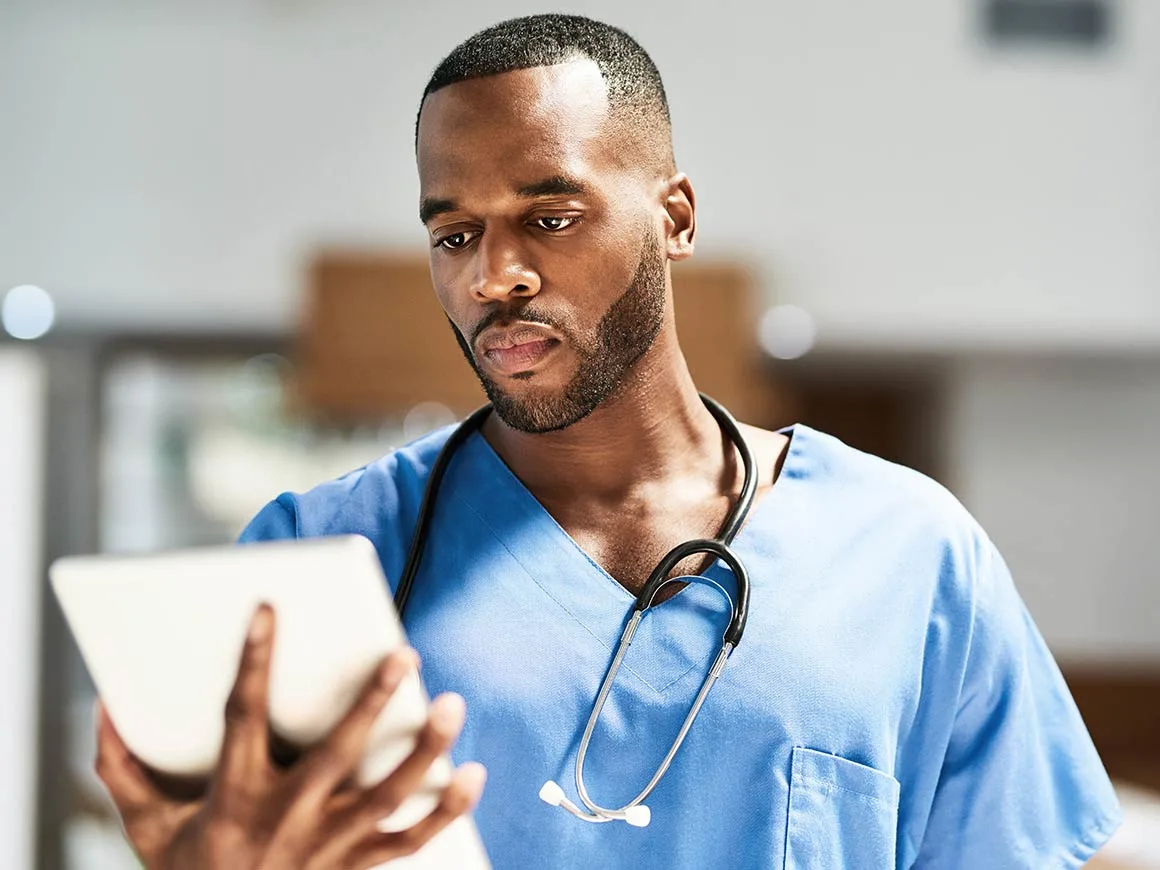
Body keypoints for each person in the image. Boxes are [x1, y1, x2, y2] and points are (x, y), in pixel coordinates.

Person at [95, 13, 1122, 869]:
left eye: (548, 218)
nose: (492, 274)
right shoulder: (321, 559)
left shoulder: (908, 555)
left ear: (673, 216)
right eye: (453, 234)